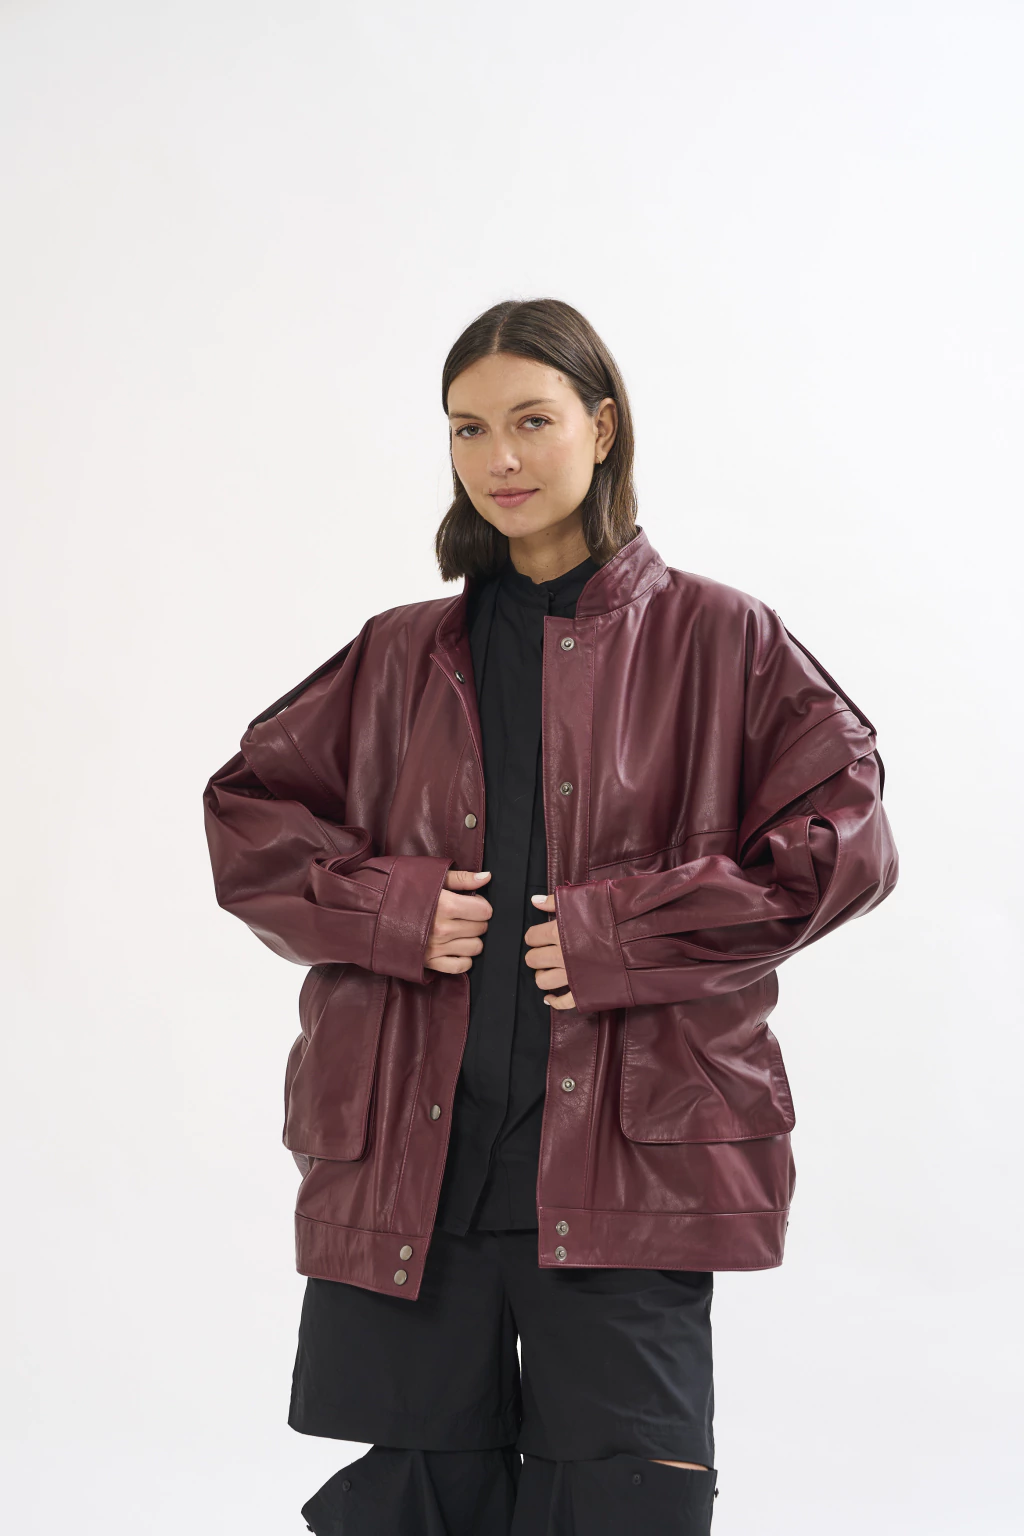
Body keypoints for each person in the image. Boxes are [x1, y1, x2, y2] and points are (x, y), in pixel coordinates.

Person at [203, 297, 898, 1534]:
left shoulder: (720, 640)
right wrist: (390, 910)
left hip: (630, 1160)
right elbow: (247, 815)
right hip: (416, 1166)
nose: (500, 458)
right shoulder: (398, 654)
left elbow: (841, 846)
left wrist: (621, 934)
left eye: (532, 420)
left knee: (630, 1503)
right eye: (467, 429)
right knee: (415, 1504)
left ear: (602, 426)